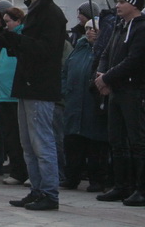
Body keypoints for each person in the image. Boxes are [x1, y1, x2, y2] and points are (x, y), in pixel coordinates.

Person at [0, 0, 66, 211]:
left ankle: (49, 193)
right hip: (26, 85)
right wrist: (9, 41)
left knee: (42, 142)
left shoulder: (51, 14)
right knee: (27, 142)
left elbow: (45, 50)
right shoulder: (35, 11)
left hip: (40, 86)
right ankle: (36, 189)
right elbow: (27, 49)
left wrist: (17, 40)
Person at [94, 0, 145, 206]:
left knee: (137, 141)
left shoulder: (142, 28)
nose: (117, 6)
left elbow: (134, 60)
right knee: (116, 139)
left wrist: (107, 78)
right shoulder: (121, 27)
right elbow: (106, 54)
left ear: (134, 4)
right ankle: (121, 186)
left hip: (132, 91)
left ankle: (143, 190)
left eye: (121, 2)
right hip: (115, 90)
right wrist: (101, 77)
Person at [61, 18, 108, 192]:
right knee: (73, 143)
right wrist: (66, 91)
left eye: (94, 29)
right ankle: (71, 176)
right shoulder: (78, 49)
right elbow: (65, 72)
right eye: (87, 28)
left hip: (92, 104)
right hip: (74, 103)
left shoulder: (102, 50)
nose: (90, 32)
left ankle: (97, 179)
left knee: (95, 145)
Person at [0, 7, 28, 186]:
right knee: (9, 137)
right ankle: (17, 170)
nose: (5, 24)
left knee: (21, 137)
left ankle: (26, 171)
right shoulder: (5, 40)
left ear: (18, 21)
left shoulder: (20, 38)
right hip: (3, 95)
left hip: (16, 95)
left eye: (8, 21)